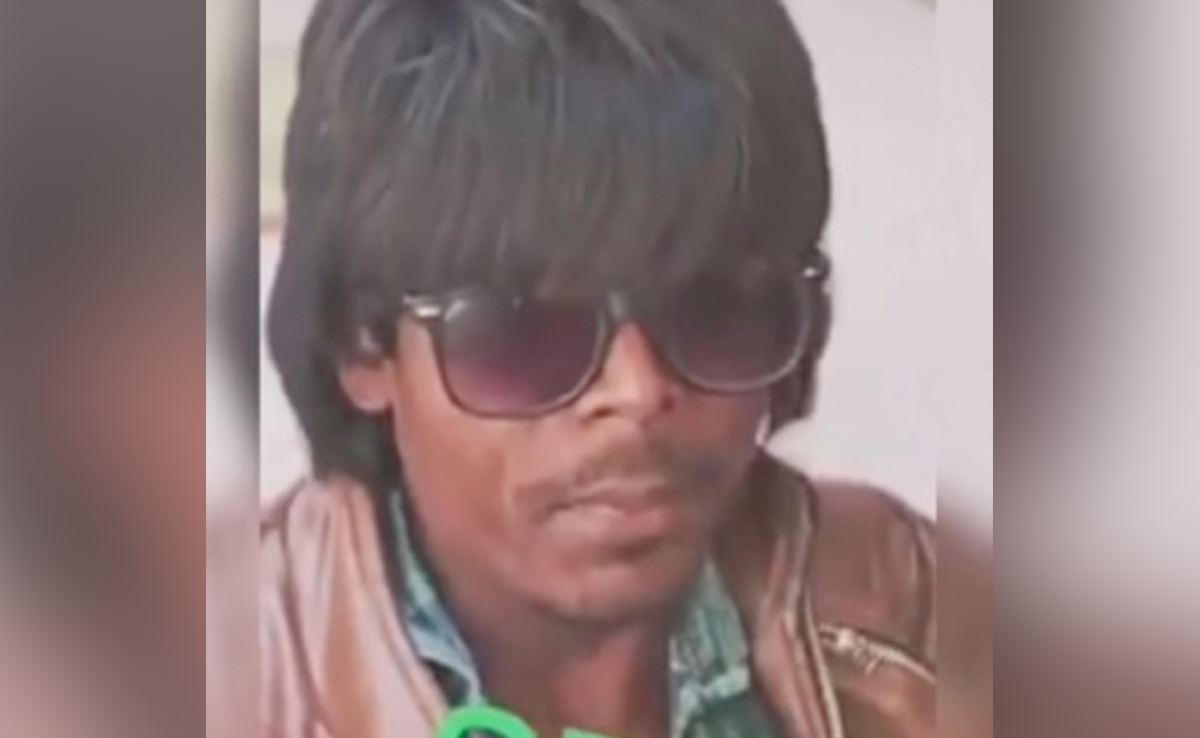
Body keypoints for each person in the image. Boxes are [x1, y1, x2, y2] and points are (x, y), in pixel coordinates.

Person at [263, 0, 948, 736]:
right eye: (524, 329)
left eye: (715, 308)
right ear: (363, 345)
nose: (638, 390)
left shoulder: (909, 601)